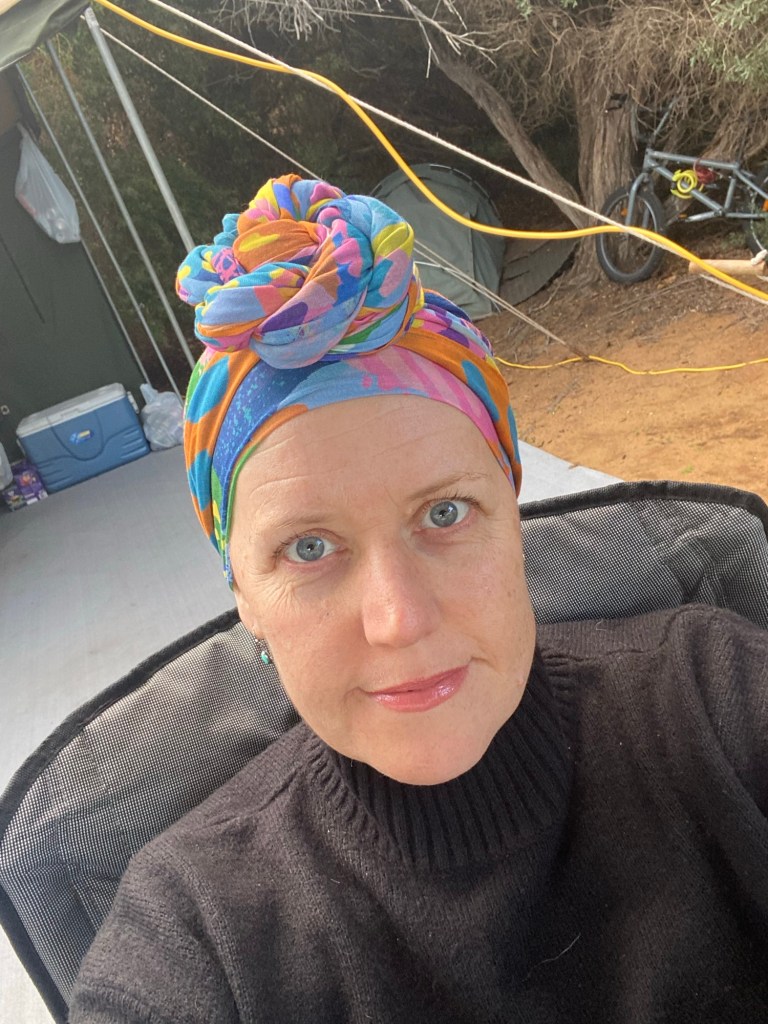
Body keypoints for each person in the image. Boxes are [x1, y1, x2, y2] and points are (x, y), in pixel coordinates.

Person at [70, 175, 768, 1023]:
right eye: (309, 548)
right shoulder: (197, 938)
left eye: (444, 514)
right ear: (244, 592)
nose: (400, 620)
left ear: (514, 516)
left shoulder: (714, 700)